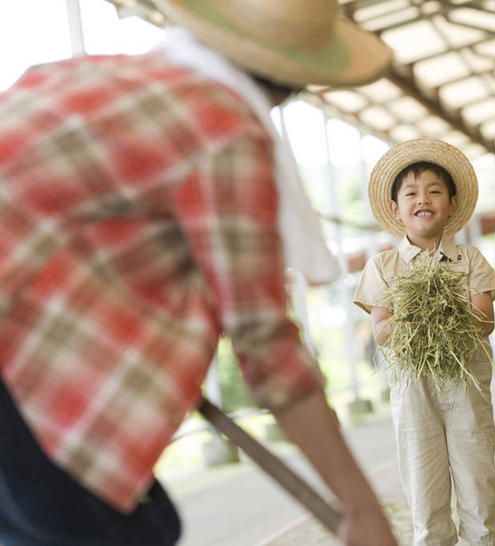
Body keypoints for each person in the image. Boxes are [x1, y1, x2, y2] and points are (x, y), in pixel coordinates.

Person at [0, 1, 397, 545]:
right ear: (294, 80)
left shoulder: (85, 74)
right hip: (18, 387)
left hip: (22, 353)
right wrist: (362, 510)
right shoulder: (224, 129)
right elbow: (266, 344)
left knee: (143, 522)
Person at [354, 138, 495, 546]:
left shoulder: (469, 260)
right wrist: (417, 319)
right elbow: (383, 333)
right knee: (425, 489)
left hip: (467, 388)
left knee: (479, 481)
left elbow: (484, 320)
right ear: (395, 208)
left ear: (452, 204)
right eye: (411, 193)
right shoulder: (383, 266)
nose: (424, 199)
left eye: (435, 191)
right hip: (413, 394)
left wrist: (445, 313)